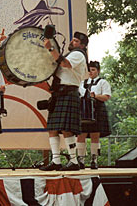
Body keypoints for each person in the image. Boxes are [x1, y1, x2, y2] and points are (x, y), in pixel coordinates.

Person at [40, 31, 88, 171]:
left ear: (83, 45)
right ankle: (56, 161)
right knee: (53, 129)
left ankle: (73, 161)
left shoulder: (78, 54)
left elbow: (65, 64)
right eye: (72, 40)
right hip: (59, 93)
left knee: (67, 129)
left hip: (68, 93)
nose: (72, 42)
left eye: (76, 41)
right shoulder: (69, 54)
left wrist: (50, 48)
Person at [77, 61, 111, 170]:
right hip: (84, 110)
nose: (90, 72)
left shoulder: (103, 82)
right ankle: (80, 160)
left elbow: (106, 97)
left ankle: (94, 160)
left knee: (95, 135)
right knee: (81, 135)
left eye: (93, 70)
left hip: (97, 109)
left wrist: (95, 96)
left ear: (98, 71)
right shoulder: (82, 83)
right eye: (89, 70)